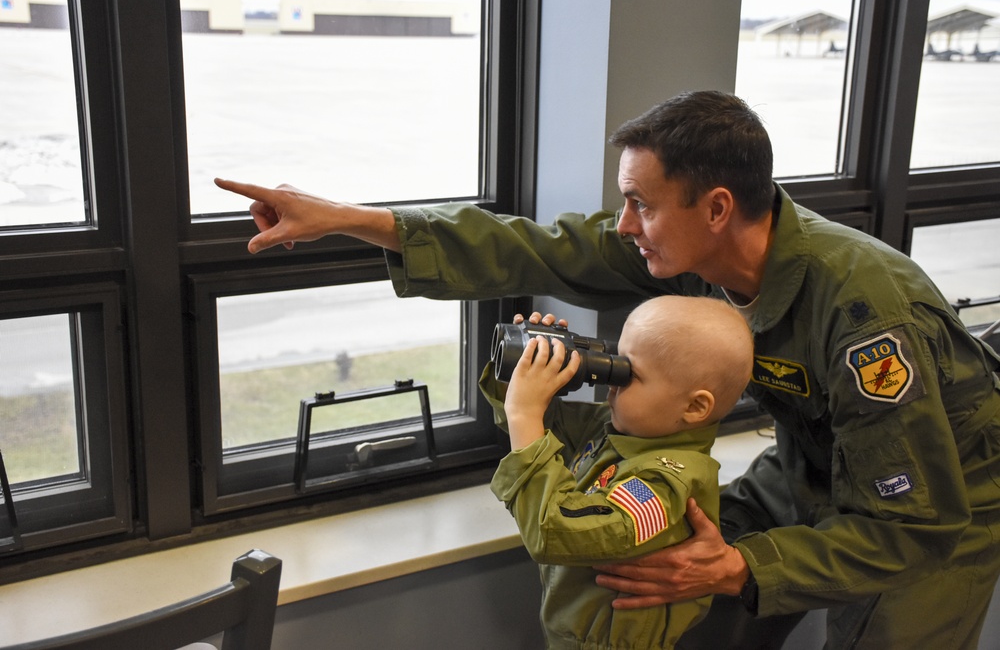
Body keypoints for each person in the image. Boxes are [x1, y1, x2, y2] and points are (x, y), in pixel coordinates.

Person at [215, 89, 1000, 649]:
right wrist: (350, 220)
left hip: (940, 507)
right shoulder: (693, 251)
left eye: (641, 204)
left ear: (717, 206)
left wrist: (742, 565)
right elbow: (535, 244)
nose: (625, 225)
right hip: (812, 472)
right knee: (664, 580)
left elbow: (915, 525)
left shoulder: (869, 317)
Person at [484, 296, 753, 649]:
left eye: (630, 374)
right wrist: (525, 366)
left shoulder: (665, 484)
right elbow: (545, 426)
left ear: (695, 406)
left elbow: (555, 531)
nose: (612, 378)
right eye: (616, 359)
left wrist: (524, 414)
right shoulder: (625, 428)